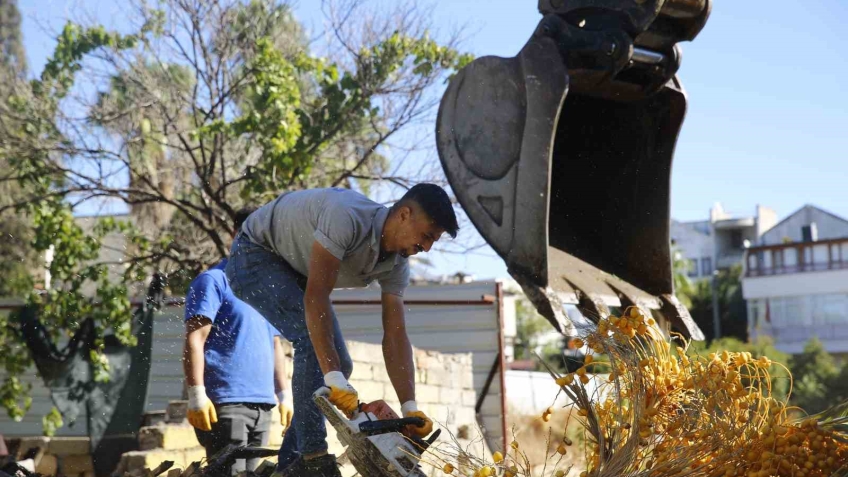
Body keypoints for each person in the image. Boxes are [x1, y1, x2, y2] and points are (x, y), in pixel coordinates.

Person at [225, 184, 459, 477]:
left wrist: (409, 408)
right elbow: (316, 295)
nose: (426, 247)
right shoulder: (346, 216)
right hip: (254, 255)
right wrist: (333, 378)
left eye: (433, 241)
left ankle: (291, 465)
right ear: (404, 214)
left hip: (293, 269)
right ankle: (313, 459)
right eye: (426, 236)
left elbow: (396, 334)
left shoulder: (398, 264)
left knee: (340, 364)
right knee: (317, 351)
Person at [182, 208, 294, 475]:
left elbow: (275, 344)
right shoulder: (213, 280)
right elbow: (194, 339)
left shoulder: (262, 289)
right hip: (227, 403)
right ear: (237, 235)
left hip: (263, 405)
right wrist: (196, 394)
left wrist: (283, 395)